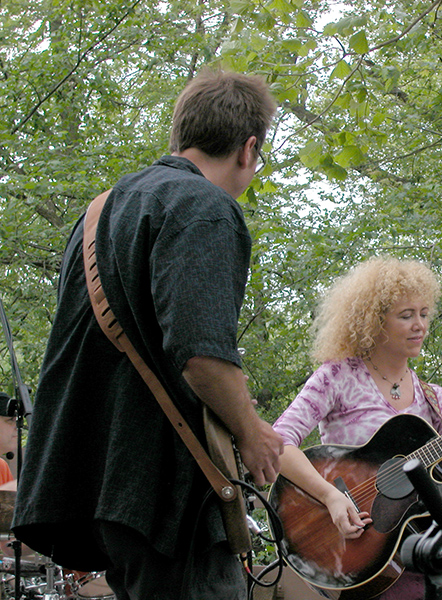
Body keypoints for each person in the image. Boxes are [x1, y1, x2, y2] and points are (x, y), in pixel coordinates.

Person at [13, 69, 284, 600]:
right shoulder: (205, 206)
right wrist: (251, 430)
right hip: (167, 496)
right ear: (249, 149)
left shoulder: (100, 210)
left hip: (99, 487)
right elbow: (201, 354)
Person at [272, 256, 442, 600]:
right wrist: (331, 496)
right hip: (359, 548)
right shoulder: (337, 377)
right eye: (406, 316)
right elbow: (280, 443)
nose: (419, 324)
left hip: (425, 554)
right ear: (373, 321)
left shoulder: (434, 397)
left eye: (423, 313)